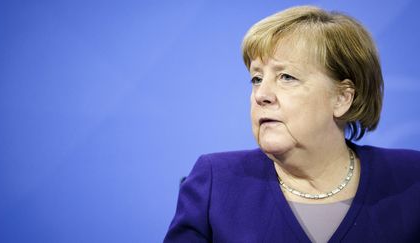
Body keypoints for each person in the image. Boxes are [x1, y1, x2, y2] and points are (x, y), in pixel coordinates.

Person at [164, 5, 420, 243]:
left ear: (342, 98)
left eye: (286, 77)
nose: (261, 94)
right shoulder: (215, 182)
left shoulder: (411, 178)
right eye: (256, 78)